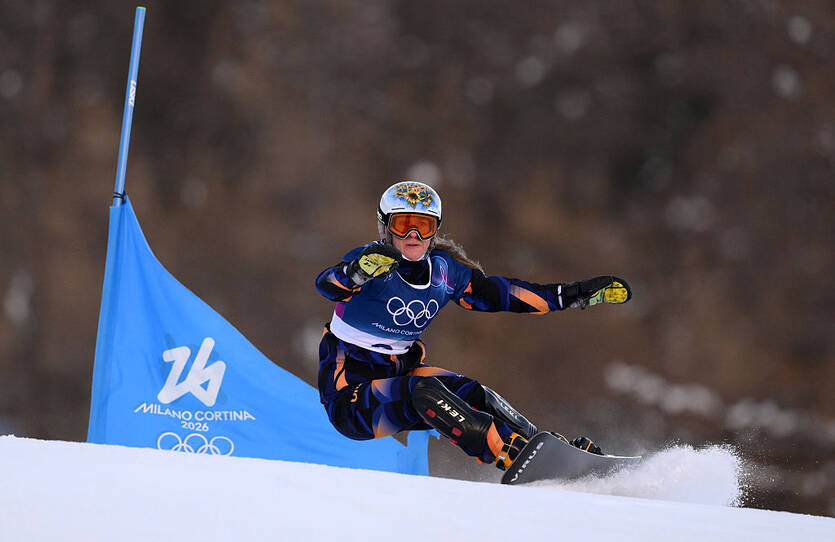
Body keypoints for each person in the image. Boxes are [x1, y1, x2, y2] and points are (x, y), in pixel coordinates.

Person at [315, 181, 632, 470]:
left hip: (399, 373)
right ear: (386, 227)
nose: (414, 236)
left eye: (423, 227)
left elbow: (503, 295)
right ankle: (507, 452)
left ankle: (546, 449)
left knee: (473, 394)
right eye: (403, 225)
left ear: (435, 230)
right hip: (350, 399)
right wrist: (356, 273)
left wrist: (571, 295)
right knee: (425, 392)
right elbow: (329, 285)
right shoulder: (372, 261)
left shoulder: (444, 272)